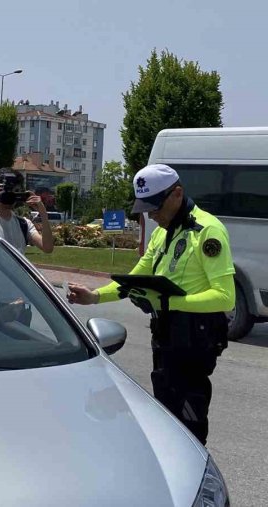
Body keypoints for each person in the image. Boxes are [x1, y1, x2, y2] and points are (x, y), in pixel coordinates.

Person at [67, 164, 235, 445]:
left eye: (155, 206)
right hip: (167, 335)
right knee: (166, 414)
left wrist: (169, 302)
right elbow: (135, 279)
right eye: (146, 208)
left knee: (189, 422)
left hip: (195, 339)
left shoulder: (208, 231)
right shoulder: (162, 232)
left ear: (177, 194)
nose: (151, 215)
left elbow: (225, 296)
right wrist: (95, 296)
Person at [0, 169, 54, 254]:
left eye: (16, 191)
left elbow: (47, 248)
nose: (10, 195)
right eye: (6, 191)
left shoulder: (24, 224)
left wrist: (43, 214)